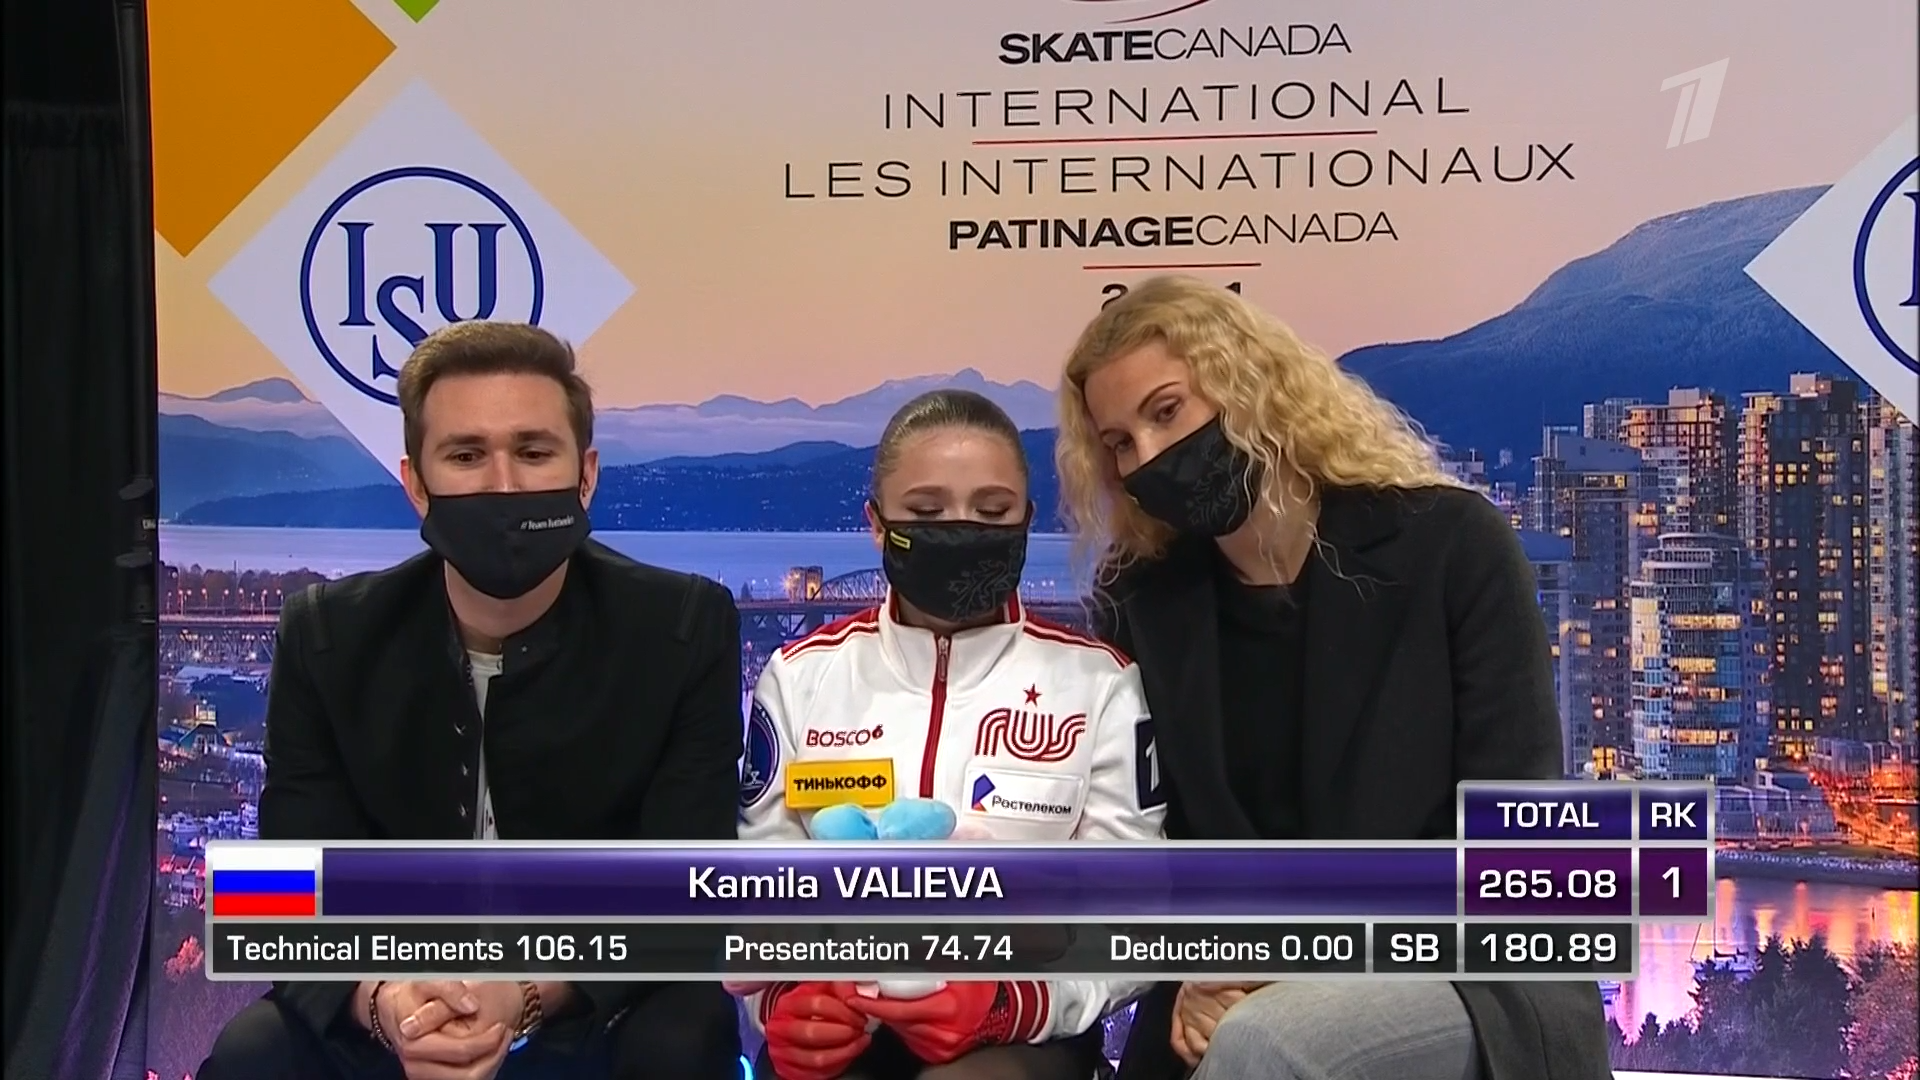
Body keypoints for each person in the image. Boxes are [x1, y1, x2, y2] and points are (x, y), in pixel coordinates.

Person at [1054, 277, 1612, 1080]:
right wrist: (1202, 966)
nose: (1146, 457)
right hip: (1226, 973)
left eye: (1166, 412)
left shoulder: (1453, 546)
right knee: (1240, 1041)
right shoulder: (1139, 595)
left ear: (1248, 386)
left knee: (1269, 1042)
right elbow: (1150, 850)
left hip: (1462, 962)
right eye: (1119, 443)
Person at [198, 322, 747, 1080]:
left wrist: (527, 993)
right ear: (416, 484)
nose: (504, 486)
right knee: (253, 1052)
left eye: (534, 452)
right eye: (465, 456)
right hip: (393, 999)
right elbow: (285, 894)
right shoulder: (327, 636)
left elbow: (686, 886)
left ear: (586, 475)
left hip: (587, 1004)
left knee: (686, 1039)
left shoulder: (682, 627)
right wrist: (387, 1003)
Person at [736, 389, 1166, 1080]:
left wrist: (1016, 1001)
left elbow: (1135, 910)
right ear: (877, 525)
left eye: (991, 512)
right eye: (927, 512)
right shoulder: (800, 675)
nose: (961, 530)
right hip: (846, 1023)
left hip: (1024, 1039)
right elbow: (761, 881)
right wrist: (788, 999)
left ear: (1025, 522)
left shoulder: (1098, 682)